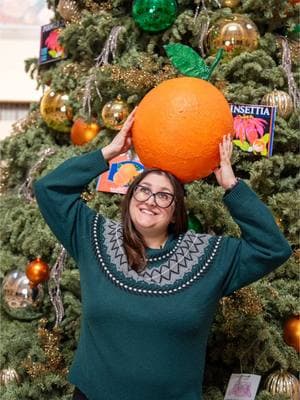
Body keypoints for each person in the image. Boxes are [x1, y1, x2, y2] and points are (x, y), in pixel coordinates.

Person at [34, 109, 292, 400]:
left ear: (174, 211)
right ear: (130, 198)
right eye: (143, 190)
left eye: (164, 195)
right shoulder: (94, 237)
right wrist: (110, 151)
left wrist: (231, 185)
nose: (150, 201)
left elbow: (272, 248)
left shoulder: (209, 256)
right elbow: (48, 190)